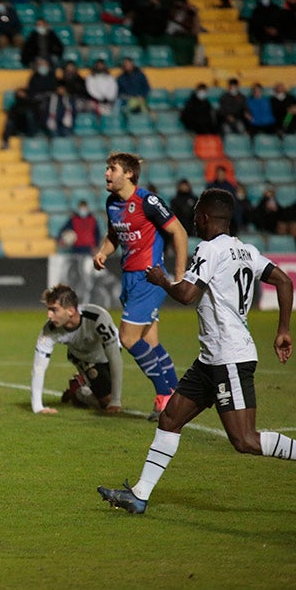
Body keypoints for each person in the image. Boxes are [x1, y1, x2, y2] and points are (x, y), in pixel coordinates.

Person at [97, 189, 296, 514]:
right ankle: (140, 495)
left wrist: (161, 280)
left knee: (244, 440)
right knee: (170, 418)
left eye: (197, 214)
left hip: (229, 357)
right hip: (210, 358)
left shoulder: (210, 250)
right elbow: (285, 281)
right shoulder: (246, 251)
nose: (194, 220)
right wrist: (283, 330)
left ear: (205, 217)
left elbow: (187, 294)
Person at [93, 152, 189, 420]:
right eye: (107, 168)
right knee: (150, 341)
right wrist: (103, 251)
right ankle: (177, 394)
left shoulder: (148, 201)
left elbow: (178, 232)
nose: (106, 173)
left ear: (129, 174)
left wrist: (179, 276)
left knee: (127, 338)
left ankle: (164, 396)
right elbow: (114, 234)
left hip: (150, 278)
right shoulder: (112, 202)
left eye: (112, 169)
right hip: (129, 278)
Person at [31, 284, 123, 415]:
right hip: (83, 357)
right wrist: (38, 407)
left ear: (70, 311)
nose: (49, 315)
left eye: (54, 310)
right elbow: (38, 368)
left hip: (107, 351)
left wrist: (116, 400)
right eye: (48, 309)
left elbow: (115, 358)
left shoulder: (97, 317)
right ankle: (79, 392)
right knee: (105, 402)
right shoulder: (49, 330)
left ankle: (80, 388)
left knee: (111, 399)